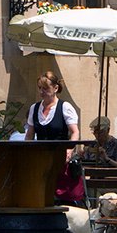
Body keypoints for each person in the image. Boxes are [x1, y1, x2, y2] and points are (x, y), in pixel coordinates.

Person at [23, 70, 84, 204]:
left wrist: (69, 150)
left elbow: (75, 132)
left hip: (59, 158)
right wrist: (26, 153)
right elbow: (30, 134)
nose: (42, 92)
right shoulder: (34, 108)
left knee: (60, 197)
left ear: (55, 88)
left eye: (45, 88)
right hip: (40, 158)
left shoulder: (65, 107)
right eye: (40, 88)